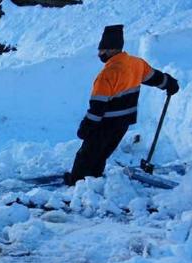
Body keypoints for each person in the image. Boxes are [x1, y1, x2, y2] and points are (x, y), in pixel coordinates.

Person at [64, 25, 180, 186]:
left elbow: (97, 108)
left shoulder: (107, 74)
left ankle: (76, 183)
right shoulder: (136, 64)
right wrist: (170, 83)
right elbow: (155, 78)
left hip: (105, 123)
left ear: (112, 49)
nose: (100, 54)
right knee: (103, 153)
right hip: (124, 122)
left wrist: (86, 127)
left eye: (102, 50)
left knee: (87, 155)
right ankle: (94, 179)